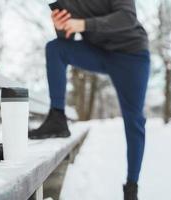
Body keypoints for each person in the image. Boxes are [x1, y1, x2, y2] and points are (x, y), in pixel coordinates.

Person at [28, 0, 150, 199]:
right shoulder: (60, 2)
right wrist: (60, 27)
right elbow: (66, 36)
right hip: (100, 53)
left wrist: (83, 24)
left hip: (132, 55)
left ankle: (131, 187)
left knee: (134, 120)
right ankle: (57, 118)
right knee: (56, 48)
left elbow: (127, 17)